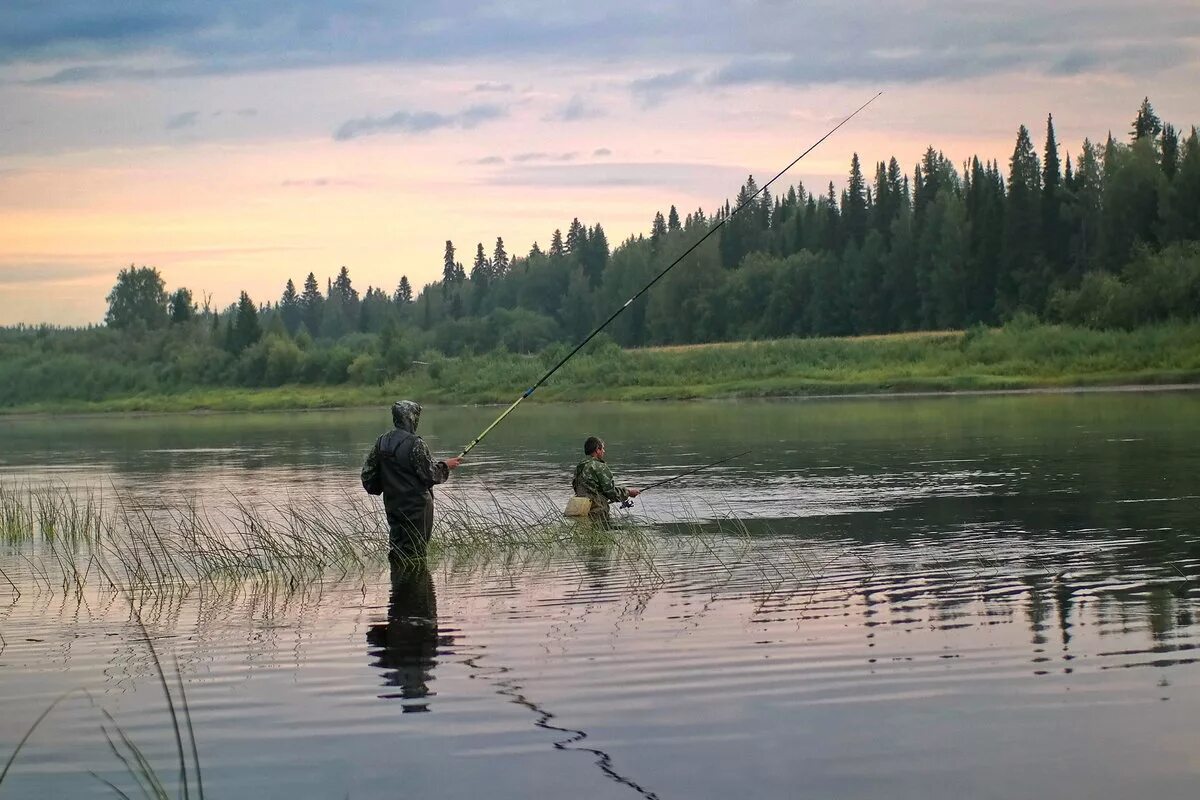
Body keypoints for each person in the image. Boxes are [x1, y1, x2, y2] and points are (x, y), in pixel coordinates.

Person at [361, 400, 462, 559]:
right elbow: (430, 475)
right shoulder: (416, 443)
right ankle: (414, 581)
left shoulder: (382, 441)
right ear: (410, 419)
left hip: (393, 506)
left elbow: (367, 477)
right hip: (417, 509)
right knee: (416, 553)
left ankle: (401, 580)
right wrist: (445, 465)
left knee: (398, 549)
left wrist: (387, 485)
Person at [571, 436, 639, 526]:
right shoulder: (599, 466)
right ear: (597, 450)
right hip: (597, 513)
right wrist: (628, 492)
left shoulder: (580, 467)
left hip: (580, 509)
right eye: (602, 448)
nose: (604, 451)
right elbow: (611, 492)